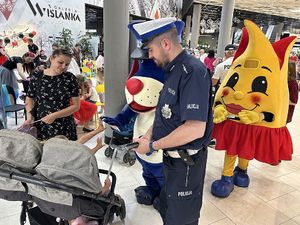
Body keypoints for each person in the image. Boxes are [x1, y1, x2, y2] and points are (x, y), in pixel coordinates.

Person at [132, 17, 213, 225]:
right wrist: (149, 134)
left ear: (165, 44)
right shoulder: (172, 70)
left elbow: (195, 128)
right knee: (170, 211)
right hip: (172, 160)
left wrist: (152, 145)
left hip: (186, 163)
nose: (149, 56)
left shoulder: (193, 72)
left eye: (150, 50)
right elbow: (165, 112)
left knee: (182, 218)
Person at [22, 48, 80, 141]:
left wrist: (54, 115)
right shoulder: (37, 76)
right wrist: (30, 117)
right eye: (60, 62)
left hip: (64, 125)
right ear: (51, 58)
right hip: (42, 124)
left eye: (67, 64)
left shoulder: (69, 78)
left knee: (64, 153)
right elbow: (30, 98)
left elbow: (76, 106)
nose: (63, 67)